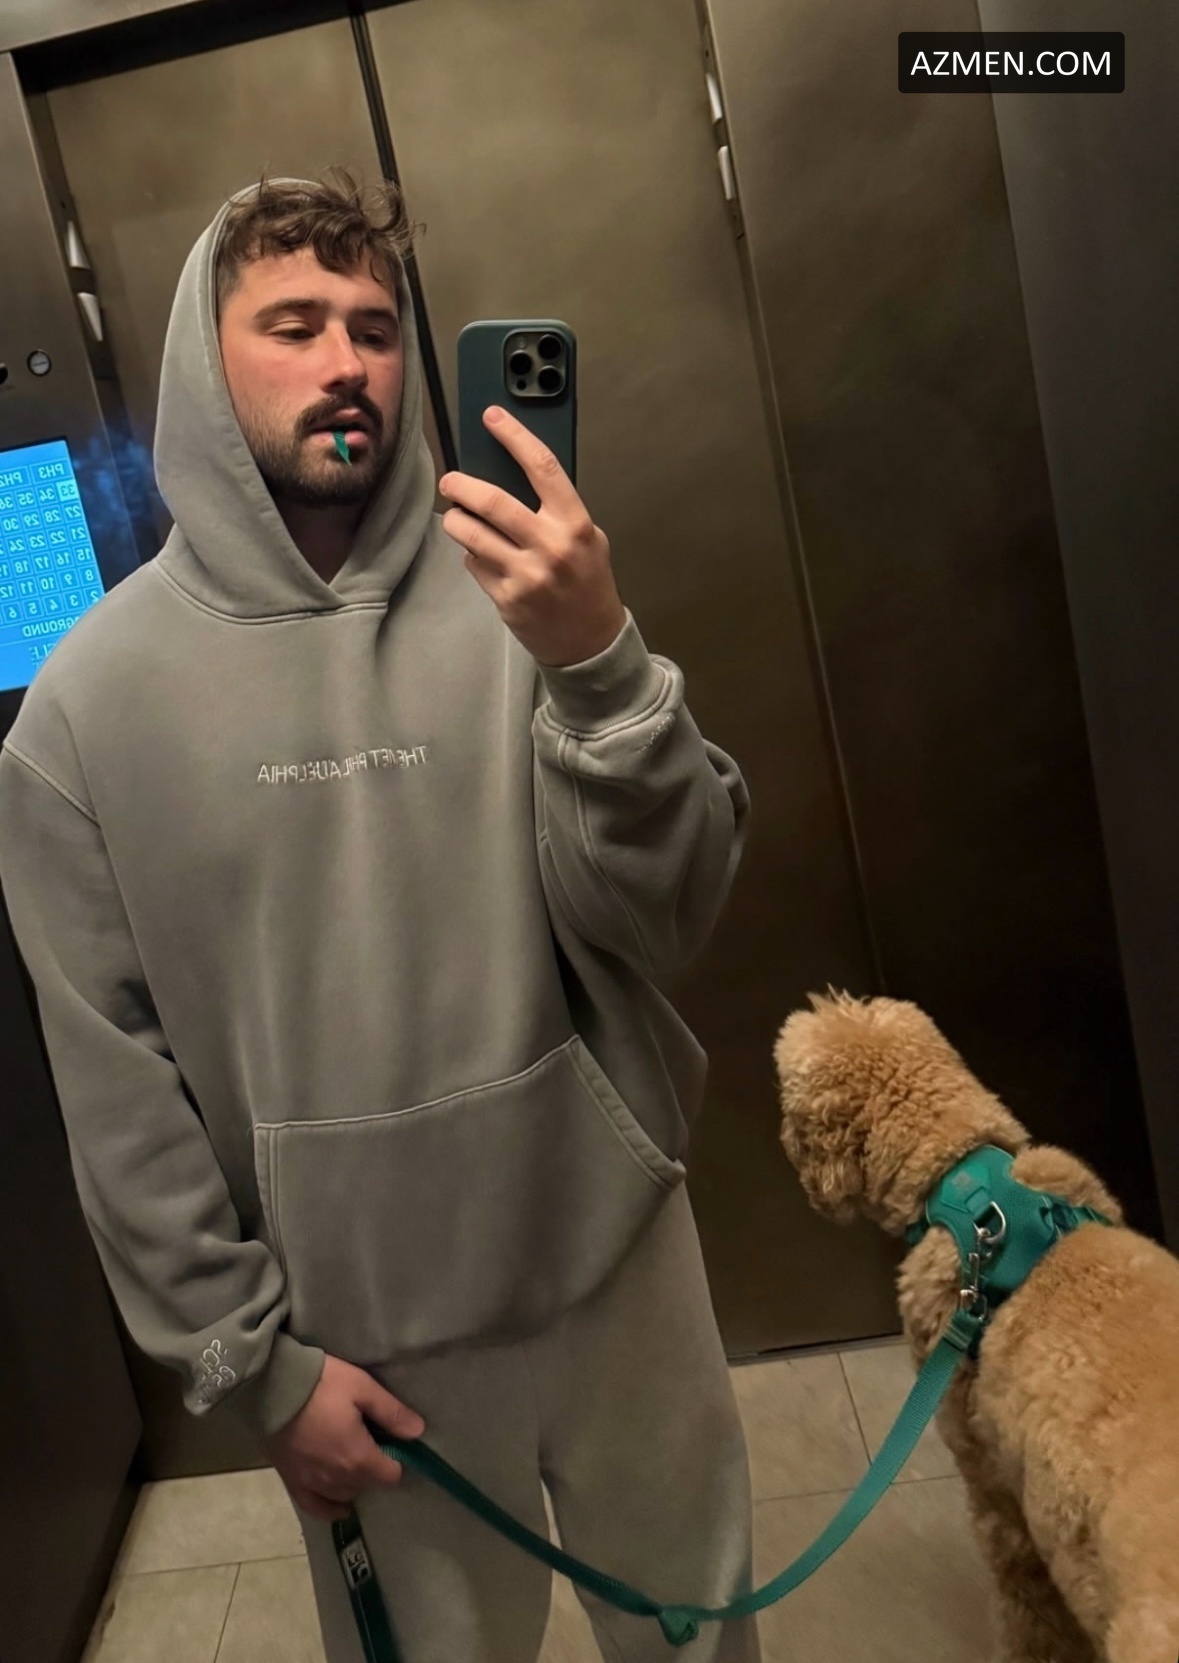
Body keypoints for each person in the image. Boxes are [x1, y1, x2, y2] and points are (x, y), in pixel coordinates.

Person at [0, 171, 759, 1662]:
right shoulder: (84, 714)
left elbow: (671, 915)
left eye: (374, 326)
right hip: (363, 1344)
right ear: (205, 364)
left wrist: (601, 662)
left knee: (701, 1641)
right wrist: (254, 1371)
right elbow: (116, 1086)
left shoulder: (526, 593)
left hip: (619, 1265)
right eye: (293, 326)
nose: (346, 362)